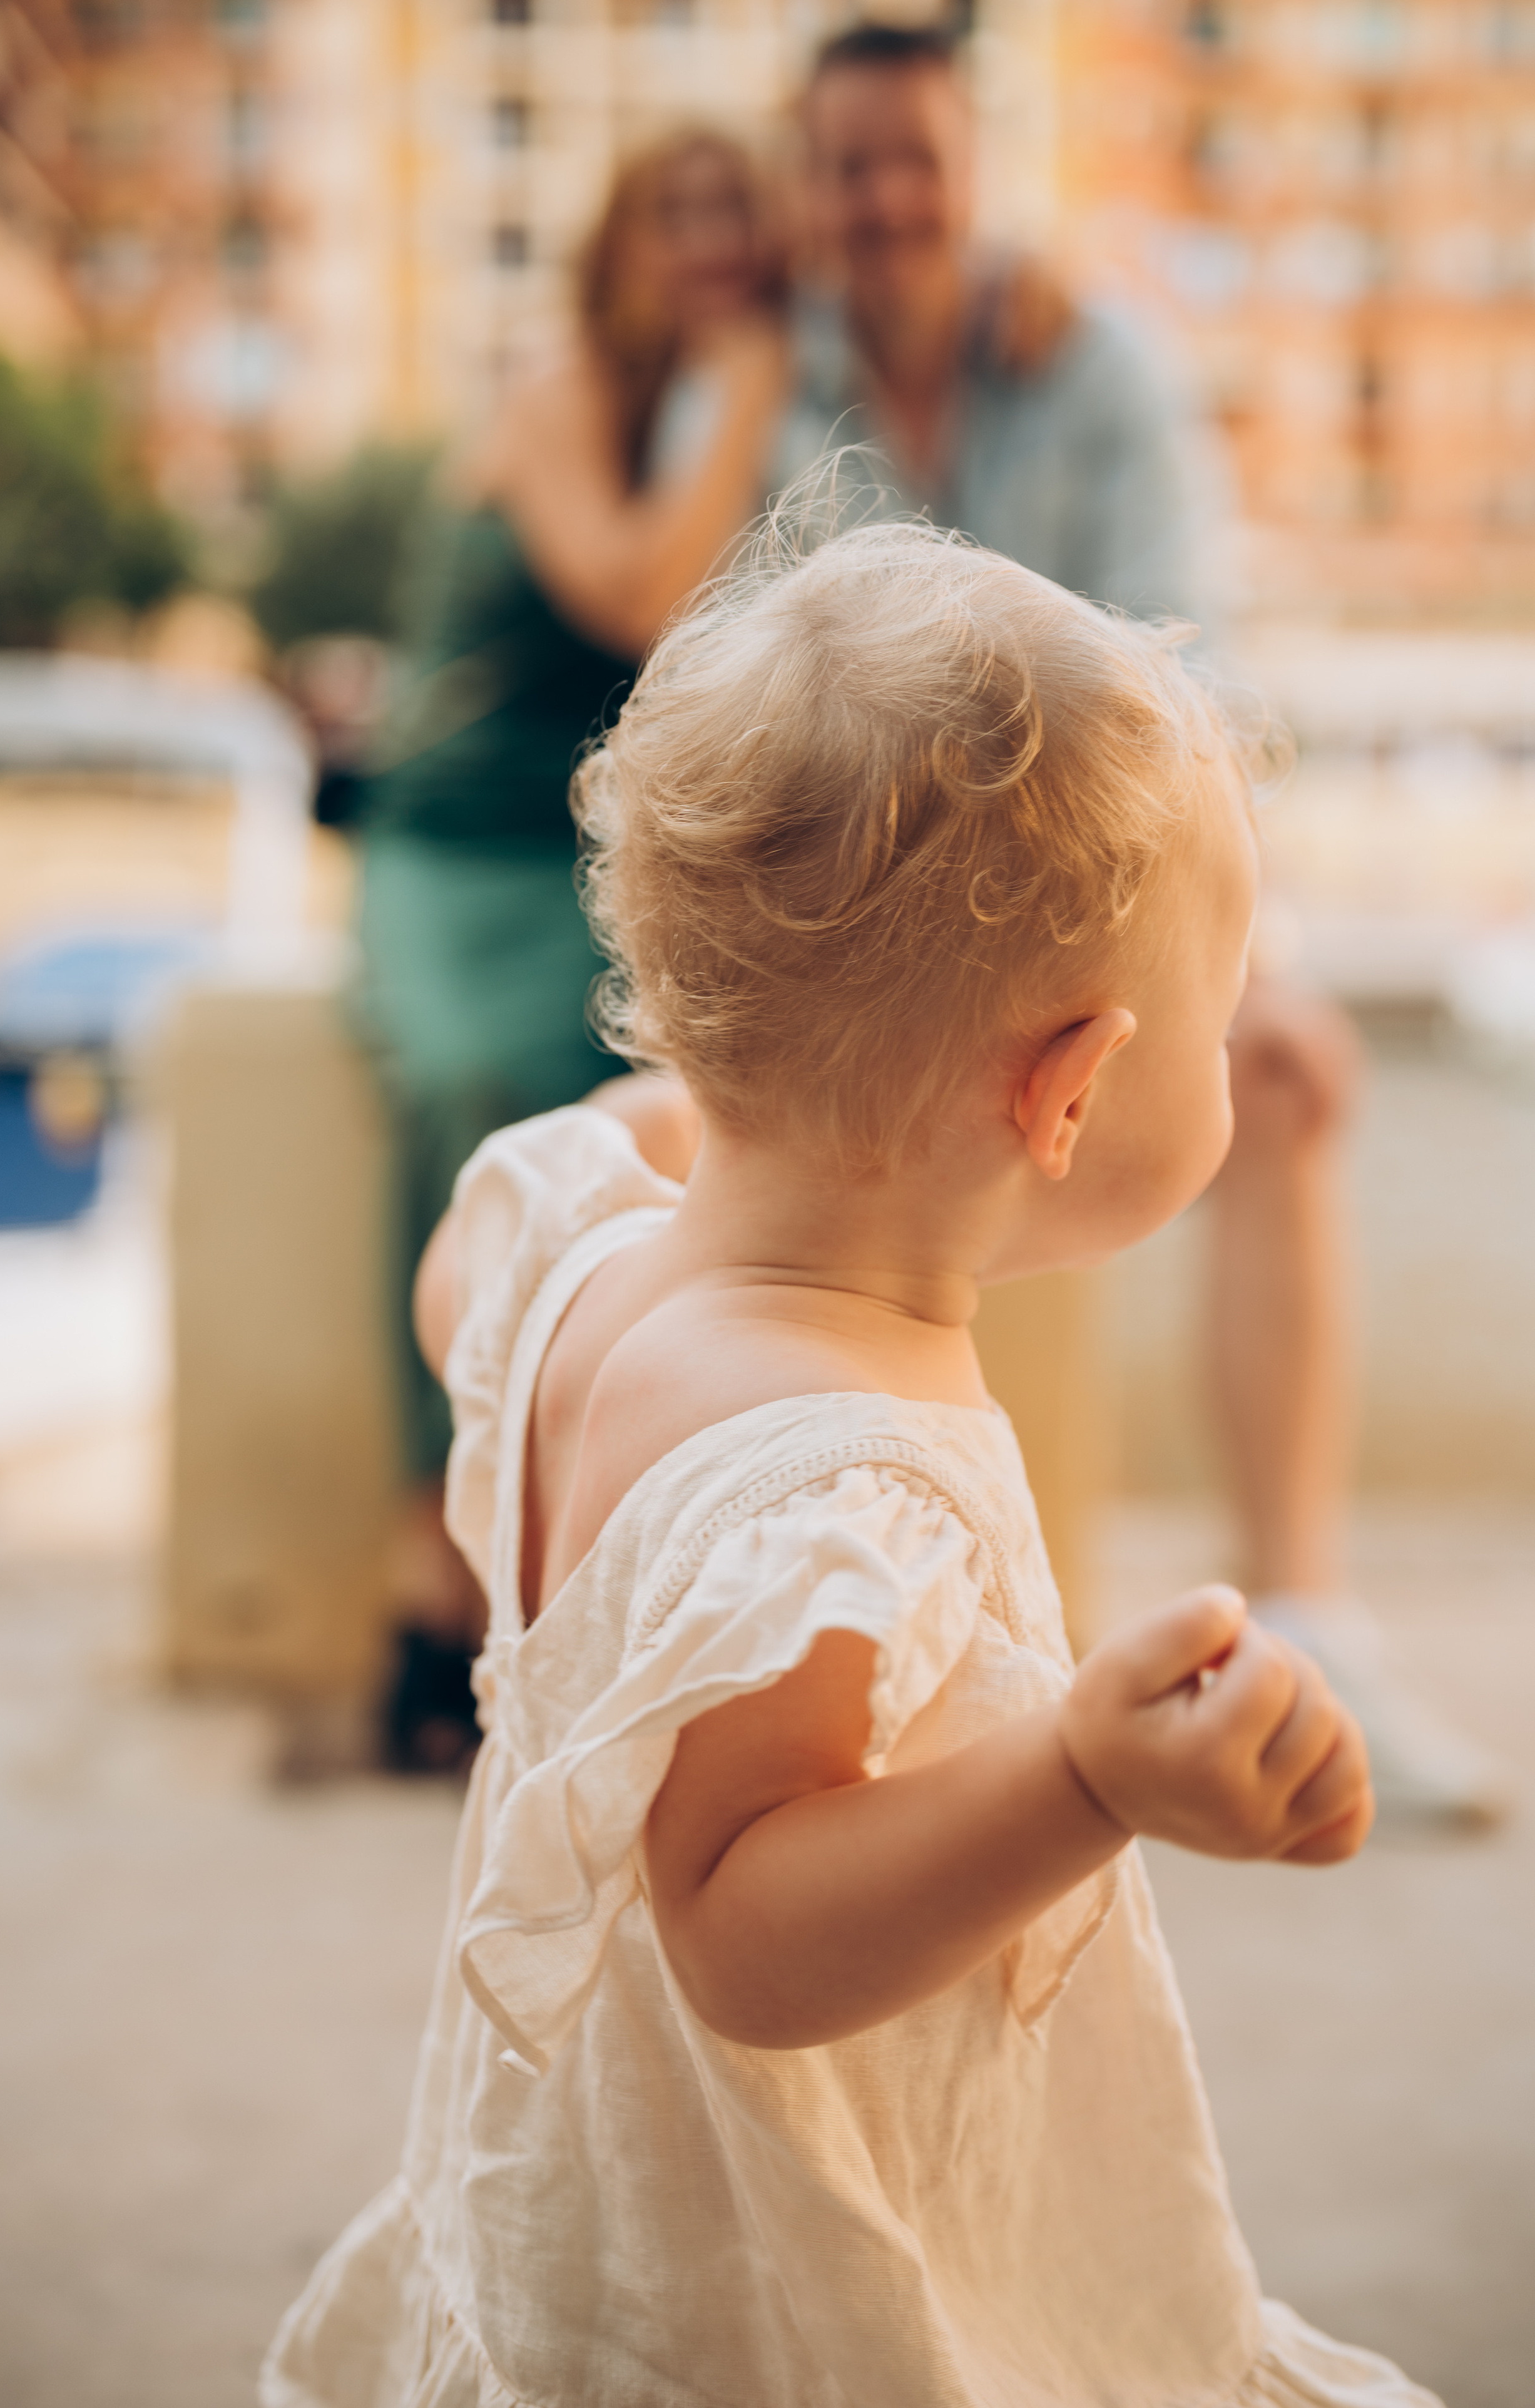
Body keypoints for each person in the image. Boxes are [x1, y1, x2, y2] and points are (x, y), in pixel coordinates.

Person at [261, 513, 1440, 2408]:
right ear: (1068, 1094)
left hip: (586, 2201)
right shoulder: (834, 1489)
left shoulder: (564, 1249)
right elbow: (747, 1932)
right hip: (770, 2305)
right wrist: (1083, 1776)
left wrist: (748, 1087)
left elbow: (457, 1277)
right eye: (1216, 1027)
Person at [776, 19, 1506, 1830]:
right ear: (810, 185)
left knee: (1289, 1072)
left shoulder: (1095, 361)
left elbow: (1185, 681)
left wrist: (1204, 955)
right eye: (851, 165)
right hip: (858, 900)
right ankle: (833, 1640)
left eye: (916, 159)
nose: (886, 199)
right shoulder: (760, 373)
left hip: (1079, 864)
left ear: (974, 171)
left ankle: (1301, 1623)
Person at [350, 130, 788, 1766]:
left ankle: (591, 1584)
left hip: (605, 851)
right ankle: (430, 1580)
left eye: (738, 210)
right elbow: (631, 592)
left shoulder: (730, 414)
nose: (709, 241)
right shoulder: (563, 393)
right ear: (615, 242)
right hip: (457, 843)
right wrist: (747, 389)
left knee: (663, 1136)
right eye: (677, 210)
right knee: (465, 1091)